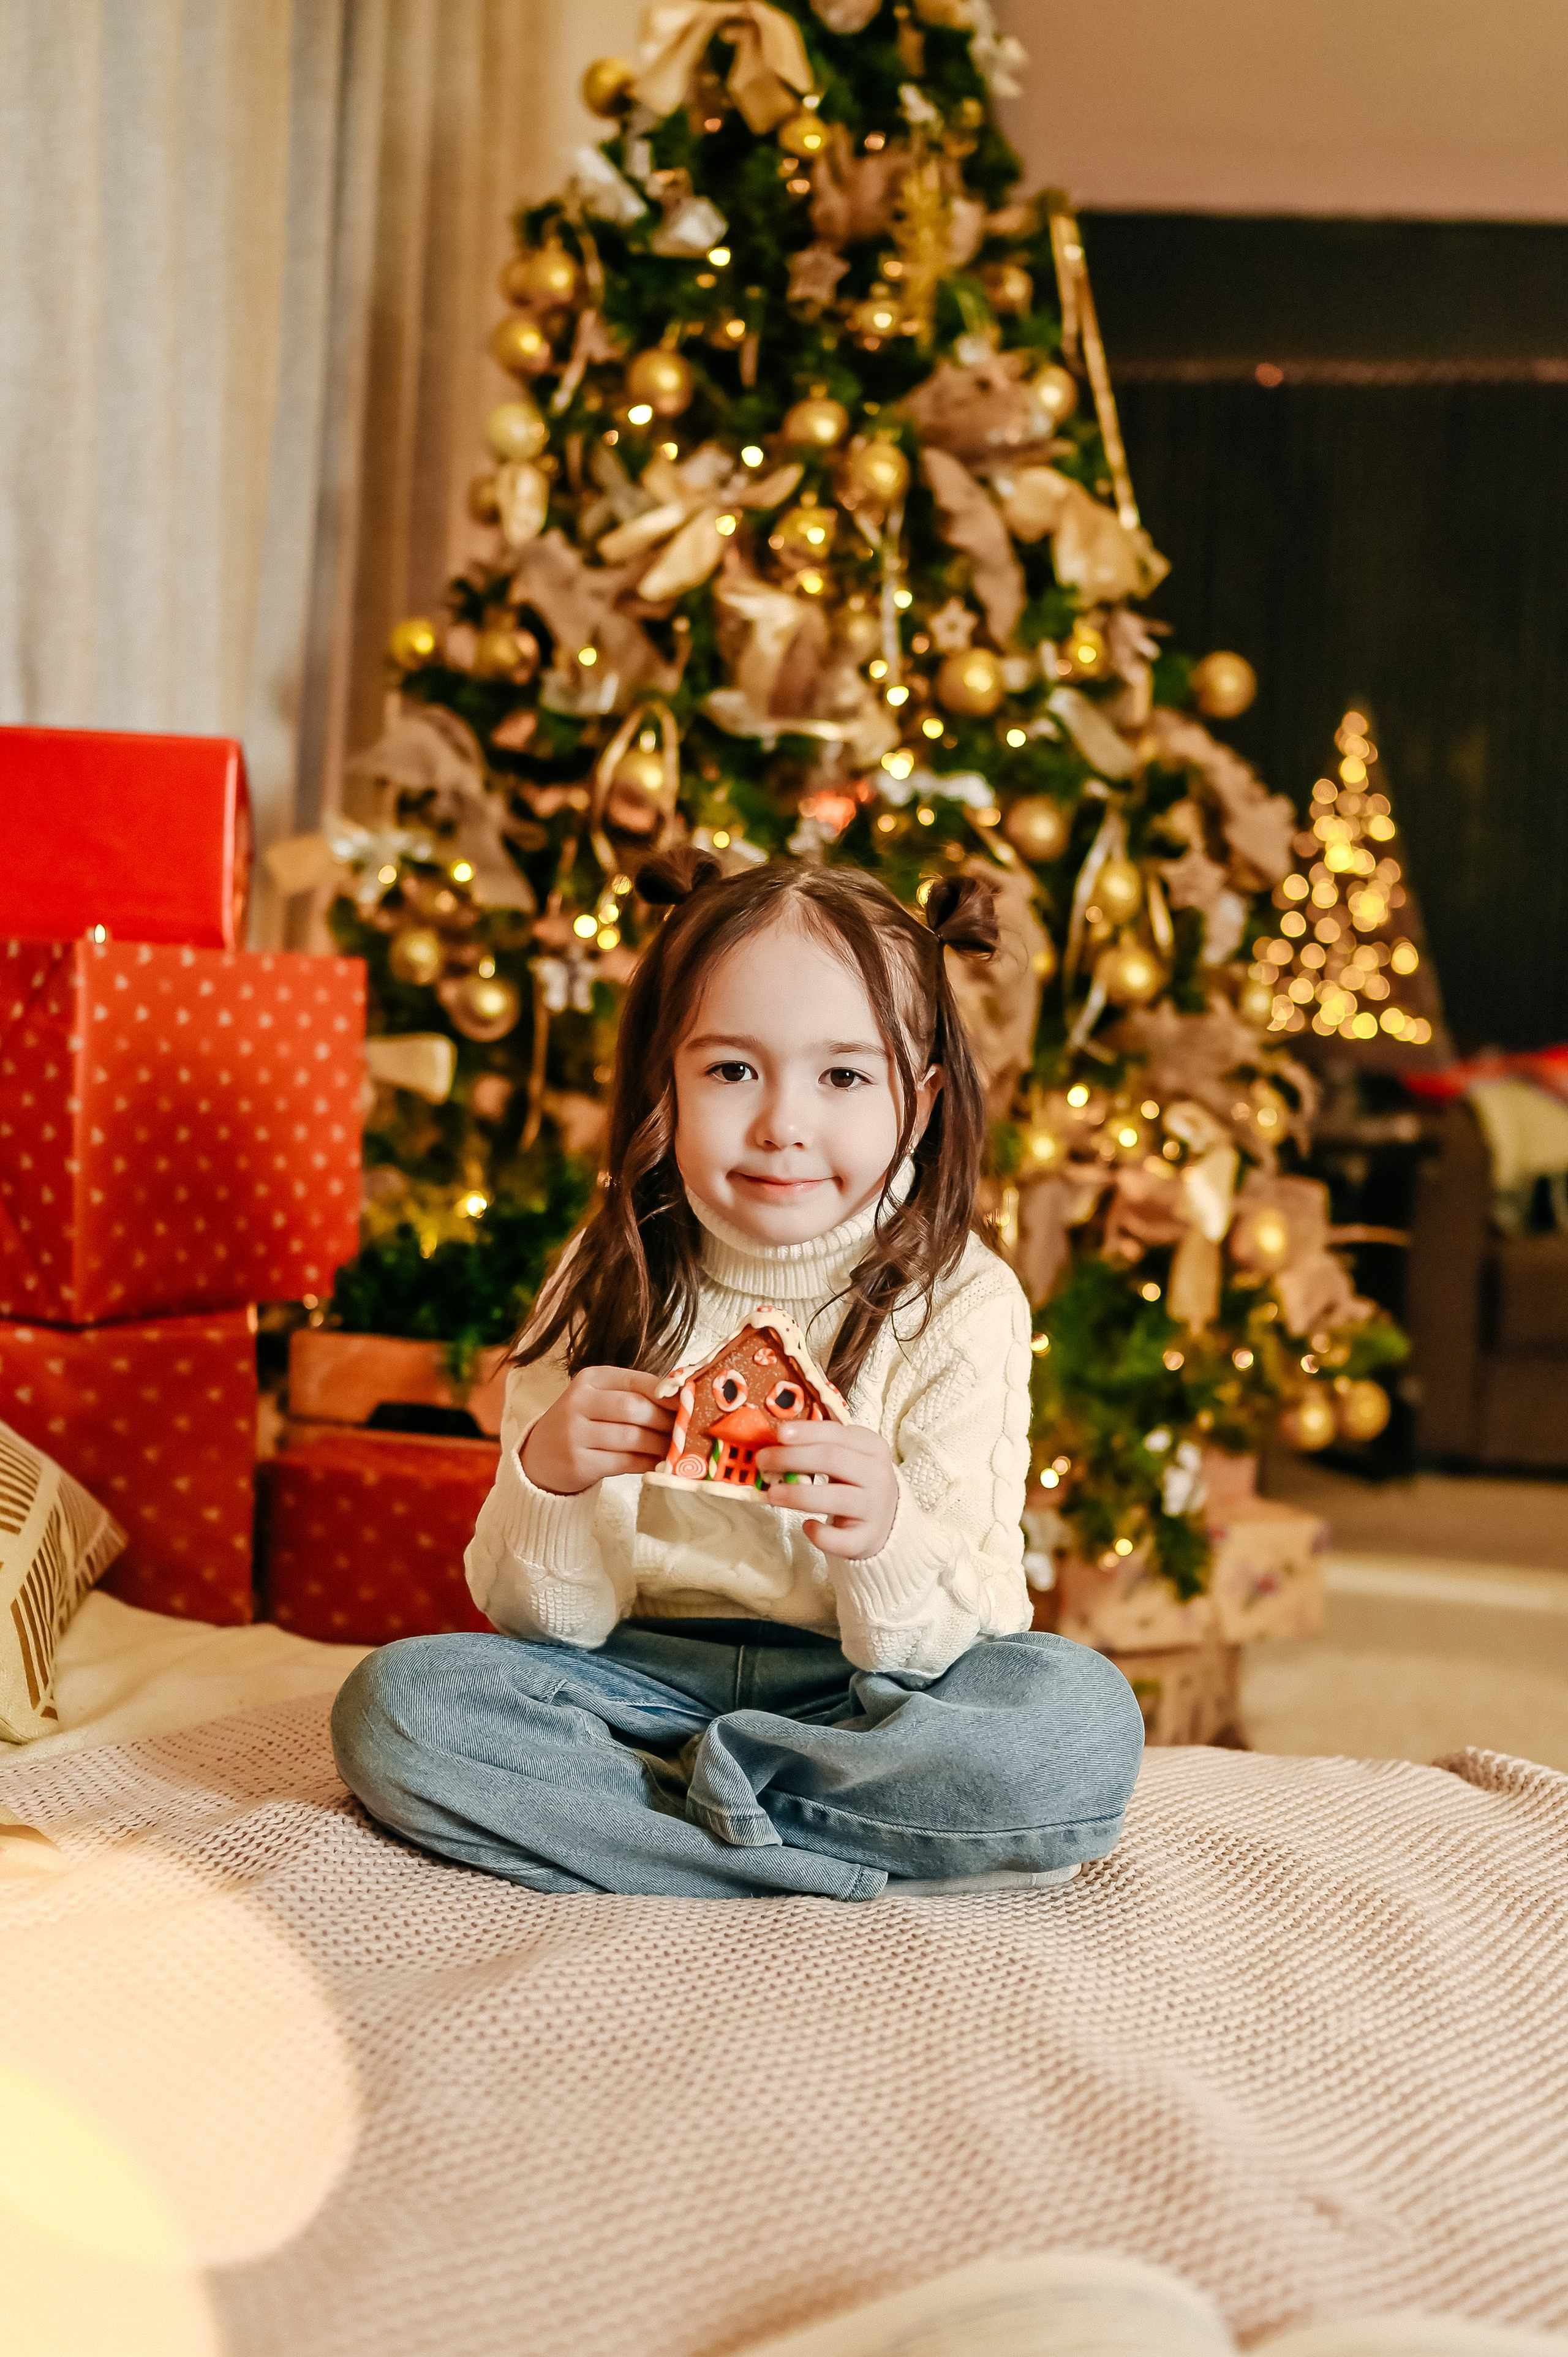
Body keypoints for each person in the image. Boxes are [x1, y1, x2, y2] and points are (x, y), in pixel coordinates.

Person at [332, 851, 1144, 1899]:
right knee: (398, 1705)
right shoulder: (602, 1277)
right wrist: (551, 1484)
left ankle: (668, 1821)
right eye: (731, 1070)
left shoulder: (965, 1303)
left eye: (844, 1076)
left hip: (856, 1708)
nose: (783, 1125)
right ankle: (798, 1852)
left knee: (1073, 1725)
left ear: (927, 1098)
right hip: (630, 1681)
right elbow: (540, 1626)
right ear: (665, 1075)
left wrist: (886, 1534)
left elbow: (971, 1623)